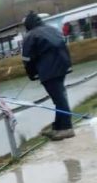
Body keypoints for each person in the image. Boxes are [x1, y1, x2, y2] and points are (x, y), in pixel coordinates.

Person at [21, 11, 74, 140]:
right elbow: (63, 45)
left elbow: (27, 59)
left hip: (48, 70)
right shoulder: (52, 29)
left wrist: (32, 74)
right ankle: (57, 127)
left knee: (59, 99)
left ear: (28, 24)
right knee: (60, 97)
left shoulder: (30, 36)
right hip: (63, 66)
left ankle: (66, 128)